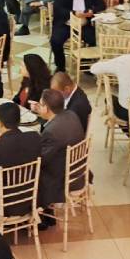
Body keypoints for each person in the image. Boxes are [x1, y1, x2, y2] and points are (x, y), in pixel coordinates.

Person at [36, 89, 86, 220]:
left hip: (62, 178)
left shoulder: (51, 131)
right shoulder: (71, 114)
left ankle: (34, 215)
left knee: (26, 173)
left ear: (46, 108)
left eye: (40, 104)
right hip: (79, 170)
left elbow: (41, 160)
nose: (39, 107)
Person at [89, 30, 130, 121]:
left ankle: (127, 127)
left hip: (126, 112)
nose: (129, 42)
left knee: (109, 99)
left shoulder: (122, 61)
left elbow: (93, 69)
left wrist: (106, 62)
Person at [50, 0, 106, 72]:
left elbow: (102, 5)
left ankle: (85, 64)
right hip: (66, 23)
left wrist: (92, 11)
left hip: (83, 24)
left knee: (96, 40)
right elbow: (58, 9)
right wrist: (74, 13)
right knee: (55, 41)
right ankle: (60, 66)